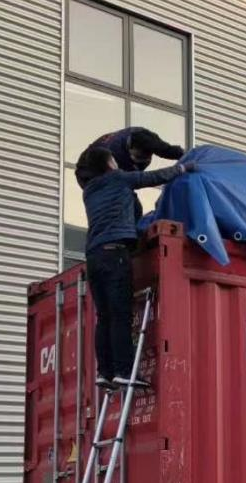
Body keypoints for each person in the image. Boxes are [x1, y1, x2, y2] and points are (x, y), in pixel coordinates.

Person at [75, 145, 195, 387]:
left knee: (104, 317)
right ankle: (124, 370)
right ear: (108, 164)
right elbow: (152, 177)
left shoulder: (89, 191)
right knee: (120, 314)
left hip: (93, 256)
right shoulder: (117, 179)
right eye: (113, 159)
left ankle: (104, 372)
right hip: (115, 253)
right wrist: (183, 168)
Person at [82, 126, 185, 181]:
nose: (139, 159)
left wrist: (185, 154)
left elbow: (166, 150)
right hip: (86, 172)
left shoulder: (147, 138)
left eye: (145, 157)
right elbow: (144, 179)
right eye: (137, 156)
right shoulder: (114, 154)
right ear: (130, 147)